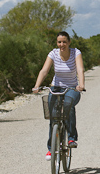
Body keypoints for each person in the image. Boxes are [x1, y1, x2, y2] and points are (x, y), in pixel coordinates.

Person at [32, 31, 85, 161]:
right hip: (56, 87)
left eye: (64, 42)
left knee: (68, 104)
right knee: (53, 115)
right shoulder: (53, 53)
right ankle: (51, 148)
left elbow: (80, 69)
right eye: (59, 42)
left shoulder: (75, 53)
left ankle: (71, 138)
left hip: (72, 88)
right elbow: (44, 70)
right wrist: (37, 86)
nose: (62, 44)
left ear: (69, 42)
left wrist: (81, 85)